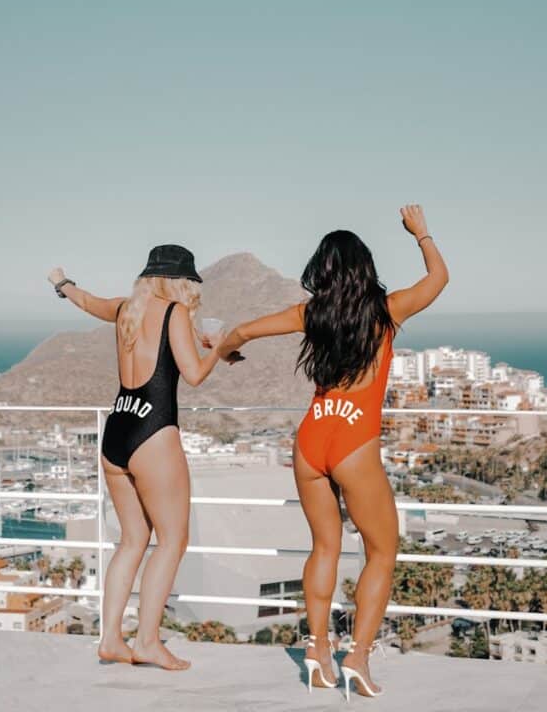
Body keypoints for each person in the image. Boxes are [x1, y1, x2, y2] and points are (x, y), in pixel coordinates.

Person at [217, 205, 449, 698]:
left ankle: (317, 651)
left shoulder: (310, 314)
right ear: (365, 268)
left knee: (324, 547)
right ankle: (358, 658)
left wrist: (226, 351)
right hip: (353, 441)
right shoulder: (387, 310)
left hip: (312, 437)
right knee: (382, 552)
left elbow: (240, 332)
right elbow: (438, 279)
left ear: (321, 269)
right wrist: (421, 234)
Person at [47, 243, 239, 671]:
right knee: (172, 541)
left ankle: (112, 639)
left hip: (117, 428)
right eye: (190, 281)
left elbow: (86, 300)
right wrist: (220, 349)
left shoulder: (124, 309)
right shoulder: (173, 313)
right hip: (153, 432)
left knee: (132, 541)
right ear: (178, 281)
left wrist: (61, 283)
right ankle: (148, 641)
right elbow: (193, 374)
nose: (192, 290)